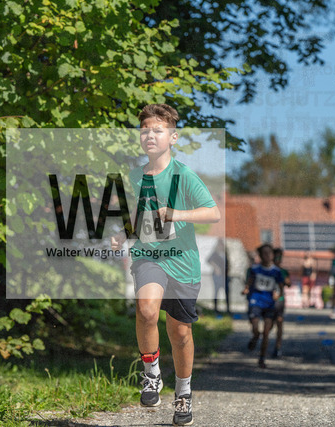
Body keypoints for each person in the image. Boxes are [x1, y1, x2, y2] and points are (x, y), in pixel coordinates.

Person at [111, 104, 220, 426]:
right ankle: (151, 373)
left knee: (180, 331)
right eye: (145, 130)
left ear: (172, 137)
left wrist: (177, 214)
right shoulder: (135, 176)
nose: (150, 136)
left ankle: (183, 393)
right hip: (149, 255)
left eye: (157, 130)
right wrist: (124, 233)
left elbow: (212, 212)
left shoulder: (184, 176)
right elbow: (138, 214)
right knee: (146, 311)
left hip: (182, 263)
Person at [242, 243, 284, 369]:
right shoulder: (255, 269)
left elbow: (281, 288)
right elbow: (249, 283)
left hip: (269, 303)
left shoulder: (276, 271)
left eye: (269, 253)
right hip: (256, 301)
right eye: (264, 253)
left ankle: (262, 357)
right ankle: (255, 336)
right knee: (256, 328)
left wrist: (278, 295)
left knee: (266, 332)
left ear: (272, 255)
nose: (267, 255)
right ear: (260, 255)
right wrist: (246, 289)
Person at [272, 247, 291, 358]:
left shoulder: (283, 271)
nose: (279, 259)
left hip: (280, 301)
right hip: (268, 302)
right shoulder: (268, 270)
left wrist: (285, 280)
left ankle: (277, 347)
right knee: (268, 325)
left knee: (279, 323)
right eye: (277, 256)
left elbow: (289, 284)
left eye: (280, 257)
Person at [207, 238, 229, 316]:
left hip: (224, 276)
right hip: (217, 276)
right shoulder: (215, 253)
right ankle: (216, 309)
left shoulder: (224, 253)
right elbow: (208, 260)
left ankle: (228, 309)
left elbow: (228, 264)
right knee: (217, 291)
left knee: (227, 292)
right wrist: (216, 267)